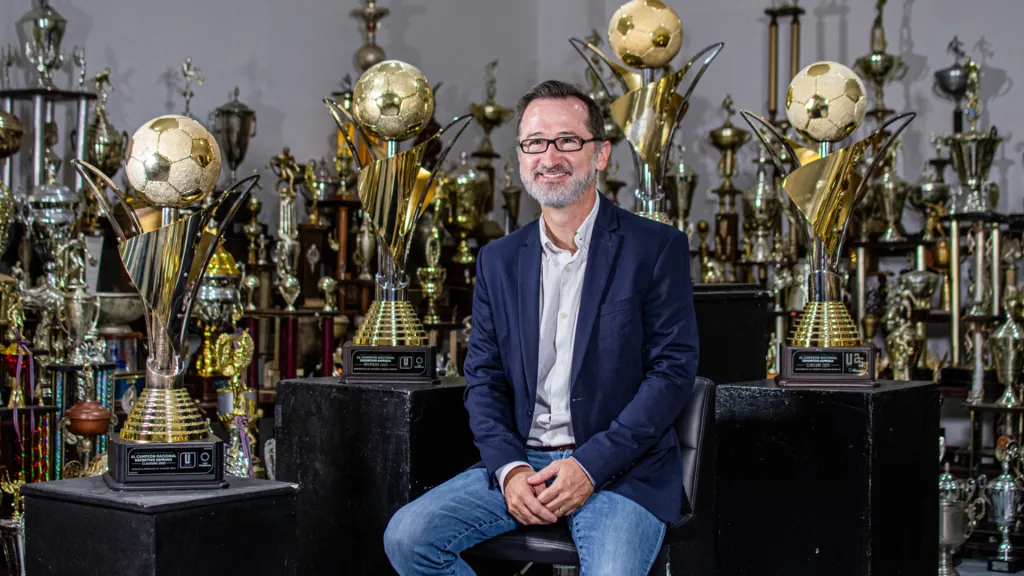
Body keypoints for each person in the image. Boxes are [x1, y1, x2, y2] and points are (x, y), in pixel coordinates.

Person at [384, 79, 699, 575]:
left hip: (622, 469)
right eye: (534, 142)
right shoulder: (498, 261)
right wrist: (509, 471)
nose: (549, 156)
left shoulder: (654, 248)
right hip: (522, 462)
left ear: (600, 154)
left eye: (567, 140)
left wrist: (589, 466)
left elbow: (672, 373)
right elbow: (484, 378)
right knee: (408, 538)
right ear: (520, 155)